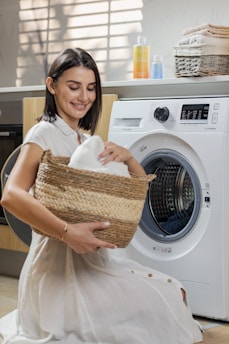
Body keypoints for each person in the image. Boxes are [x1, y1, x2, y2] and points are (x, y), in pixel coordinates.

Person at [0, 47, 202, 344]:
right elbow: (11, 195)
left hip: (93, 263)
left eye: (91, 88)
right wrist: (68, 232)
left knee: (176, 292)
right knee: (164, 306)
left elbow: (132, 196)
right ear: (51, 85)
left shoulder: (84, 141)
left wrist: (130, 158)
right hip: (57, 272)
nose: (84, 97)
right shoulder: (42, 134)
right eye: (73, 86)